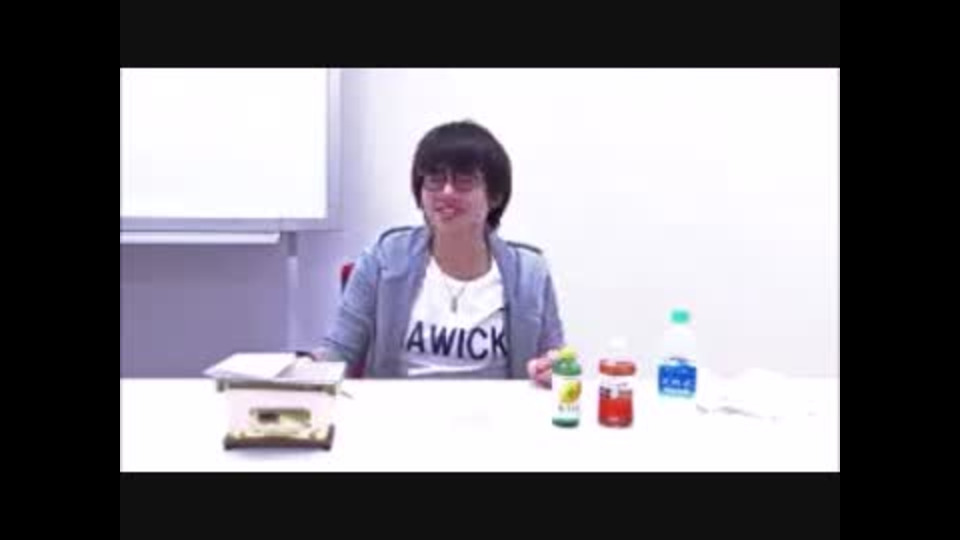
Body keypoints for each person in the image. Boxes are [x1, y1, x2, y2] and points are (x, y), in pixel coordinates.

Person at [306, 120, 564, 387]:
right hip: (398, 409)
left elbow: (556, 360)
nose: (447, 191)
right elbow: (339, 352)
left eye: (464, 181)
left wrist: (553, 369)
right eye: (434, 180)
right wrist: (302, 368)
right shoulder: (384, 258)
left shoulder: (530, 273)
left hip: (496, 411)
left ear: (495, 195)